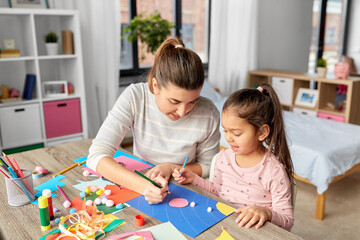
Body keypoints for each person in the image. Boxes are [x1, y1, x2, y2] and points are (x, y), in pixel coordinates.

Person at [87, 37, 220, 204]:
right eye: (174, 101)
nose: (183, 112)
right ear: (155, 86)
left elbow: (209, 167)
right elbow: (96, 156)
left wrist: (171, 167)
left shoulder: (208, 113)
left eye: (192, 101)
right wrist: (144, 186)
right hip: (140, 187)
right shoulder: (135, 96)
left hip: (185, 190)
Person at [173, 83, 294, 231]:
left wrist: (267, 213)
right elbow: (217, 192)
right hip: (224, 225)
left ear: (262, 132)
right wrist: (194, 179)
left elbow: (287, 221)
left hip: (254, 232)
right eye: (225, 131)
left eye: (236, 133)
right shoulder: (223, 158)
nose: (229, 138)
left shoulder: (273, 171)